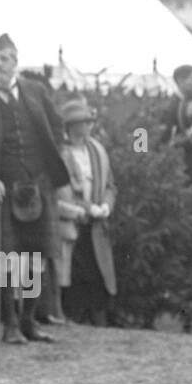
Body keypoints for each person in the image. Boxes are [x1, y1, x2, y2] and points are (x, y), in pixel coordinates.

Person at [0, 34, 69, 345]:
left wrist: (49, 168)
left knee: (37, 257)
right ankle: (9, 324)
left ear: (16, 61)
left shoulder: (36, 92)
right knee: (7, 257)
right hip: (2, 190)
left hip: (39, 186)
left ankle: (29, 321)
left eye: (4, 58)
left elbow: (57, 128)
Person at [55, 98, 117, 327]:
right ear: (70, 126)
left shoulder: (97, 150)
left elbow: (110, 185)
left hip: (96, 223)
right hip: (70, 221)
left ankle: (97, 317)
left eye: (89, 122)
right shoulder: (61, 152)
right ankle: (71, 315)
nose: (88, 126)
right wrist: (85, 208)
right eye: (83, 122)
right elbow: (60, 192)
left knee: (97, 271)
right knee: (72, 272)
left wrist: (106, 206)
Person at [162, 64, 192, 199]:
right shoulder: (169, 105)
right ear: (180, 81)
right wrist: (142, 154)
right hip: (179, 170)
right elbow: (143, 131)